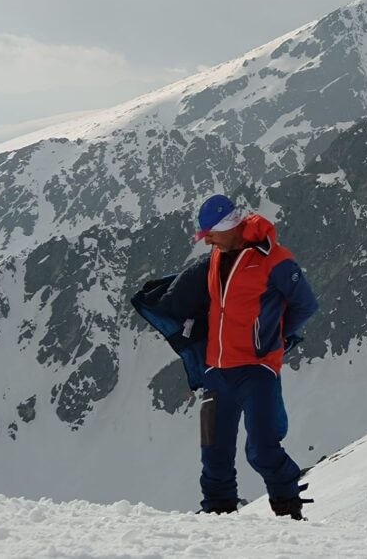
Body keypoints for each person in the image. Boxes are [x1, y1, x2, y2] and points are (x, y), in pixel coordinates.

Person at [131, 194, 318, 518]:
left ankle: (288, 506)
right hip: (215, 372)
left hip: (256, 370)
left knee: (261, 449)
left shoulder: (276, 261)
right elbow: (184, 293)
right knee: (213, 450)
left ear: (227, 226)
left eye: (209, 234)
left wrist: (277, 335)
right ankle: (218, 514)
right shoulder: (216, 259)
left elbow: (306, 305)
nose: (207, 241)